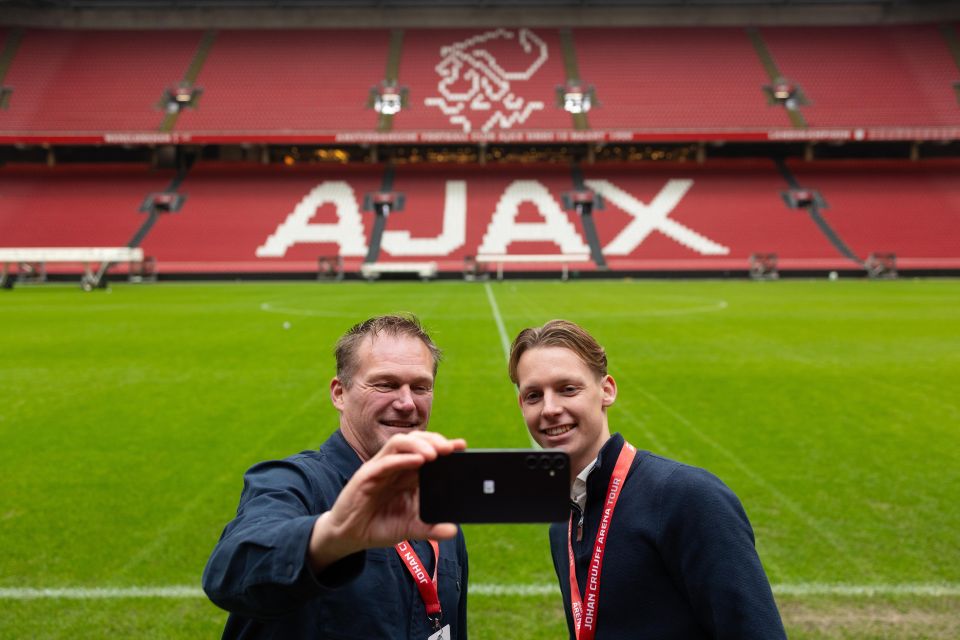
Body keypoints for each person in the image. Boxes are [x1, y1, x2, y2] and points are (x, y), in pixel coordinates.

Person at [508, 319, 785, 640]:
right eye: (533, 396)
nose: (550, 408)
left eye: (567, 389)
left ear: (606, 390)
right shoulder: (564, 521)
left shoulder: (689, 498)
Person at [203, 314, 468, 639]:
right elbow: (229, 572)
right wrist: (333, 536)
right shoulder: (294, 482)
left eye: (421, 387)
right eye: (385, 384)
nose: (406, 402)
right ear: (339, 393)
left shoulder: (436, 507)